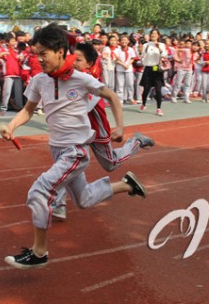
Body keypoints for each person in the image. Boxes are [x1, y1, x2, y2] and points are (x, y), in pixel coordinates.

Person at [0, 23, 147, 269]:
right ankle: (126, 185)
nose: (39, 59)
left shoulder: (80, 78)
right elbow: (28, 110)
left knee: (39, 191)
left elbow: (111, 95)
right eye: (36, 53)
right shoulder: (38, 81)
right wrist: (12, 125)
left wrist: (119, 126)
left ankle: (39, 252)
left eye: (43, 53)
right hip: (57, 150)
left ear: (59, 51)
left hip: (75, 151)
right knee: (85, 199)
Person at [50, 42, 155, 220]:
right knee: (67, 162)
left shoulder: (87, 79)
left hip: (96, 128)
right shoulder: (70, 76)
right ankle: (58, 204)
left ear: (89, 64)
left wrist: (120, 127)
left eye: (79, 60)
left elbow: (91, 104)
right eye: (72, 59)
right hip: (77, 132)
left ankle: (136, 142)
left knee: (110, 164)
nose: (74, 62)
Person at [139, 29, 167, 116]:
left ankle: (159, 108)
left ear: (158, 35)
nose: (153, 35)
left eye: (155, 33)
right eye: (152, 33)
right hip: (148, 67)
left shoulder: (161, 45)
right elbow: (141, 56)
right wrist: (140, 51)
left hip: (156, 67)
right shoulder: (146, 45)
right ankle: (143, 104)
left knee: (158, 89)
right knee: (146, 88)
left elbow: (164, 55)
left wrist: (158, 48)